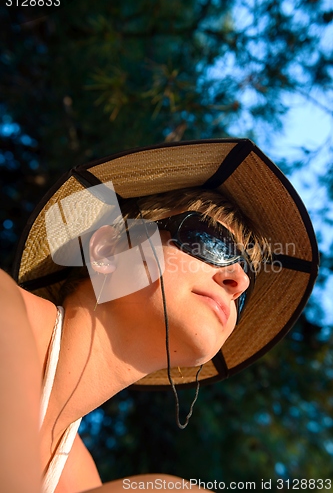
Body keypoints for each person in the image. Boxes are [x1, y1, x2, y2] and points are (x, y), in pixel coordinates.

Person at [0, 139, 319, 493]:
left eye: (247, 276)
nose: (239, 282)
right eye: (211, 242)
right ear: (107, 250)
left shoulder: (75, 476)